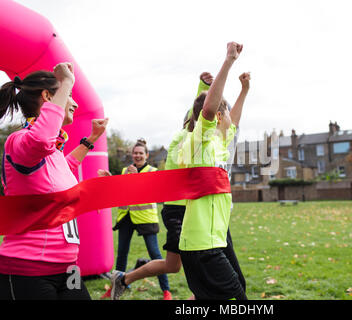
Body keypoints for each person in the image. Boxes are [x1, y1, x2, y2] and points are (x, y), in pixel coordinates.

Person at [0, 63, 109, 300]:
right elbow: (41, 140)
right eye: (68, 96)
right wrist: (67, 80)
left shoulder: (53, 153)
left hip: (67, 268)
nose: (75, 103)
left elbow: (63, 170)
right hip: (27, 270)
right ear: (48, 96)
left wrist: (90, 141)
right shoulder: (19, 142)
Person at [108, 72, 214, 300]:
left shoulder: (196, 140)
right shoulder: (184, 140)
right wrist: (203, 87)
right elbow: (200, 113)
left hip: (179, 211)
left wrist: (204, 86)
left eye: (140, 153)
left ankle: (124, 279)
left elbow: (201, 112)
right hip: (178, 211)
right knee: (196, 263)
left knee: (173, 265)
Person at [177, 42, 248, 300]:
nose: (232, 119)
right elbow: (209, 109)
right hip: (202, 246)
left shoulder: (219, 143)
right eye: (226, 113)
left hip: (214, 241)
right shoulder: (200, 143)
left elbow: (234, 119)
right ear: (219, 117)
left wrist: (244, 91)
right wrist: (229, 61)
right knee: (237, 297)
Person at [99, 139, 171, 300]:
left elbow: (152, 192)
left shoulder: (152, 171)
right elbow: (120, 191)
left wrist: (136, 177)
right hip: (126, 217)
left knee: (155, 254)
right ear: (132, 155)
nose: (137, 155)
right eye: (135, 153)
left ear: (146, 155)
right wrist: (111, 179)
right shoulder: (126, 170)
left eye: (140, 153)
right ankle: (115, 287)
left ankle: (166, 290)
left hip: (146, 218)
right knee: (122, 254)